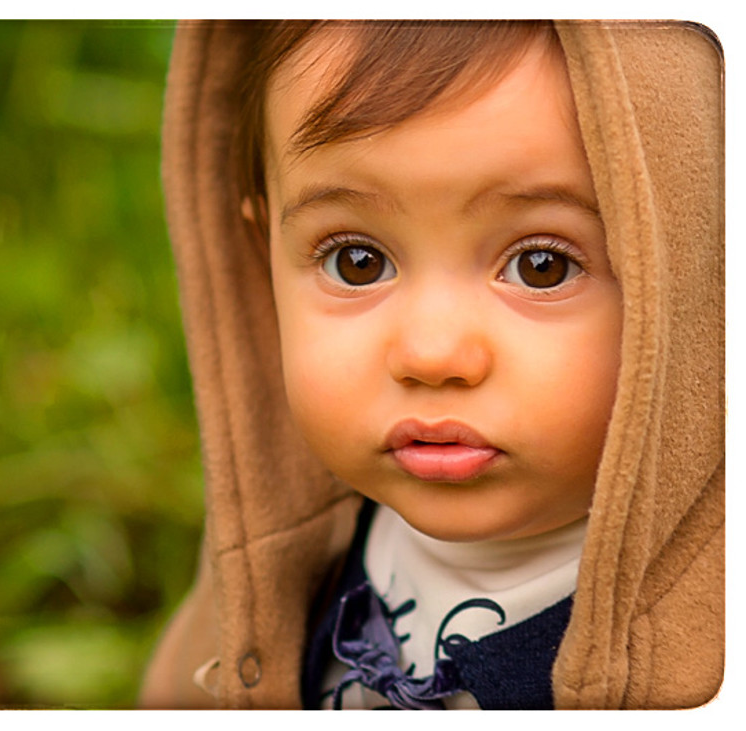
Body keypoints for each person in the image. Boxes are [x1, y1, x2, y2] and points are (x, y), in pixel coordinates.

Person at [140, 20, 723, 710]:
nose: (432, 354)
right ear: (263, 250)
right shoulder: (271, 571)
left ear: (701, 268)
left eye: (542, 266)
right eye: (357, 262)